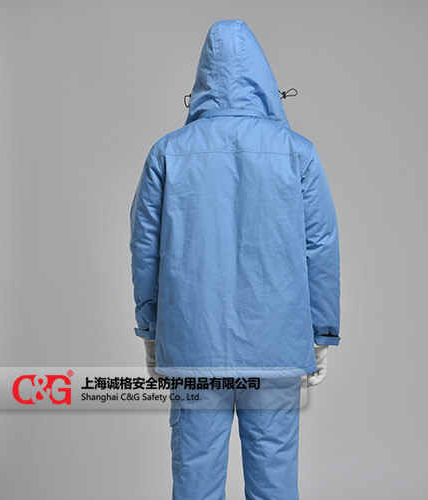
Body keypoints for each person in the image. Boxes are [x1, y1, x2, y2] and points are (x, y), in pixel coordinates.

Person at [130, 19, 340, 500]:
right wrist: (321, 333)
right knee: (274, 479)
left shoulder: (168, 153)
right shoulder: (298, 153)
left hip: (193, 341)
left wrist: (151, 331)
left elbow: (145, 248)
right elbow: (320, 246)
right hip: (276, 342)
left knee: (195, 478)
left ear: (203, 78)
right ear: (263, 79)